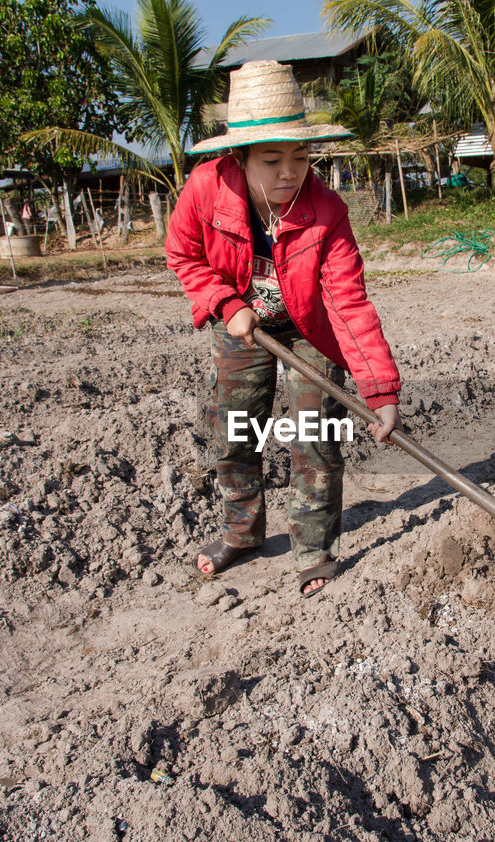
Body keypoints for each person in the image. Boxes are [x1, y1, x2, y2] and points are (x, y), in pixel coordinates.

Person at [165, 60, 402, 597]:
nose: (288, 172)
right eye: (271, 160)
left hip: (307, 328)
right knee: (236, 428)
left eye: (300, 157)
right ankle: (242, 533)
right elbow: (183, 254)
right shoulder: (205, 190)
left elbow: (348, 302)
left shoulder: (327, 211)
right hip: (238, 321)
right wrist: (226, 303)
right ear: (239, 157)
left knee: (313, 437)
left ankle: (314, 550)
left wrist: (381, 389)